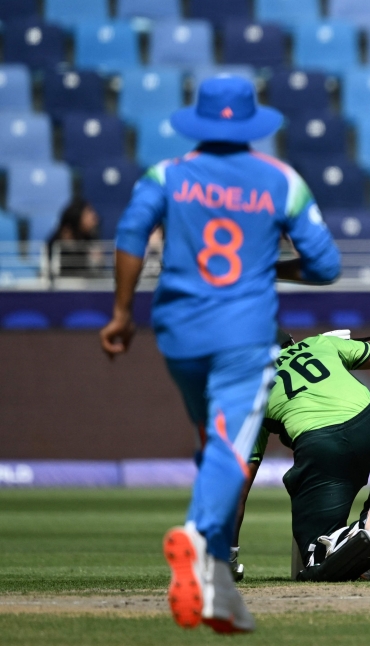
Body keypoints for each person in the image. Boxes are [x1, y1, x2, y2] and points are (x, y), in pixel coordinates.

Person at [98, 76, 341, 633]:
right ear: (254, 123)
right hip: (243, 334)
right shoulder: (282, 182)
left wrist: (119, 312)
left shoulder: (168, 175)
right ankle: (201, 547)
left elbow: (131, 235)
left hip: (178, 330)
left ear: (199, 123)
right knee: (230, 443)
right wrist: (269, 268)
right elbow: (326, 267)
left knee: (213, 439)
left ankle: (216, 580)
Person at [230, 330, 370, 584]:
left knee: (318, 559)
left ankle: (356, 534)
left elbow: (236, 490)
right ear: (291, 342)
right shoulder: (319, 343)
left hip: (325, 450)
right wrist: (344, 344)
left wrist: (227, 558)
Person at [48, 198, 103, 276]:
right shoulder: (56, 243)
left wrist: (97, 261)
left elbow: (95, 273)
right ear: (77, 216)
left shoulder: (91, 240)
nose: (95, 218)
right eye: (89, 213)